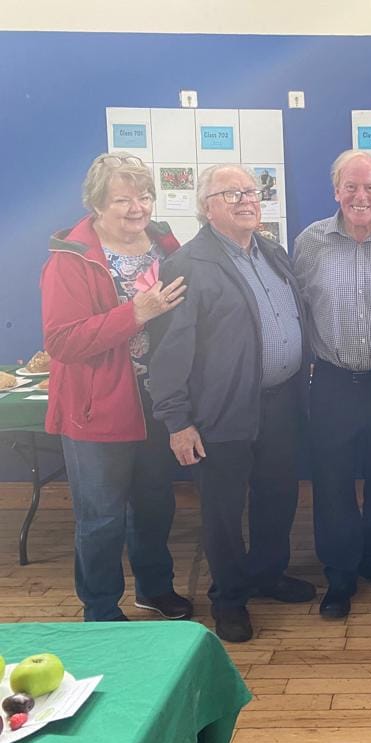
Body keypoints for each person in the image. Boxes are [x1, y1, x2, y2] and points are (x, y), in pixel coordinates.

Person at [150, 164, 316, 643]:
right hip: (220, 410)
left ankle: (267, 574)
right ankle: (228, 598)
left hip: (281, 403)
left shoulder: (273, 252)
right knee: (223, 511)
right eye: (232, 194)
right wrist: (177, 421)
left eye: (251, 191)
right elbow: (169, 351)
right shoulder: (187, 264)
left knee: (277, 496)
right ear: (207, 207)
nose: (247, 200)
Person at [41, 151, 192, 623]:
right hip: (97, 407)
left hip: (155, 401)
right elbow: (62, 341)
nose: (137, 208)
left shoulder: (164, 243)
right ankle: (101, 608)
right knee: (101, 517)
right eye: (123, 199)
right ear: (97, 205)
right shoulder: (71, 259)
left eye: (144, 196)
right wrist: (136, 313)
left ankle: (155, 589)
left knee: (154, 505)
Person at [293, 150, 371, 620]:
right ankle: (340, 574)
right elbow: (296, 310)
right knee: (332, 484)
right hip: (332, 383)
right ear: (335, 191)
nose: (360, 196)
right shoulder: (310, 243)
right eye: (351, 186)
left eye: (370, 187)